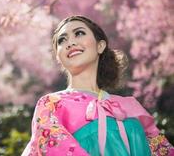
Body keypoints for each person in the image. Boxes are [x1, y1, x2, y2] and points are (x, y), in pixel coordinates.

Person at [21, 15, 174, 156]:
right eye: (62, 40)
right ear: (58, 57)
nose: (70, 43)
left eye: (79, 33)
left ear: (100, 46)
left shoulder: (130, 106)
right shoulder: (51, 105)